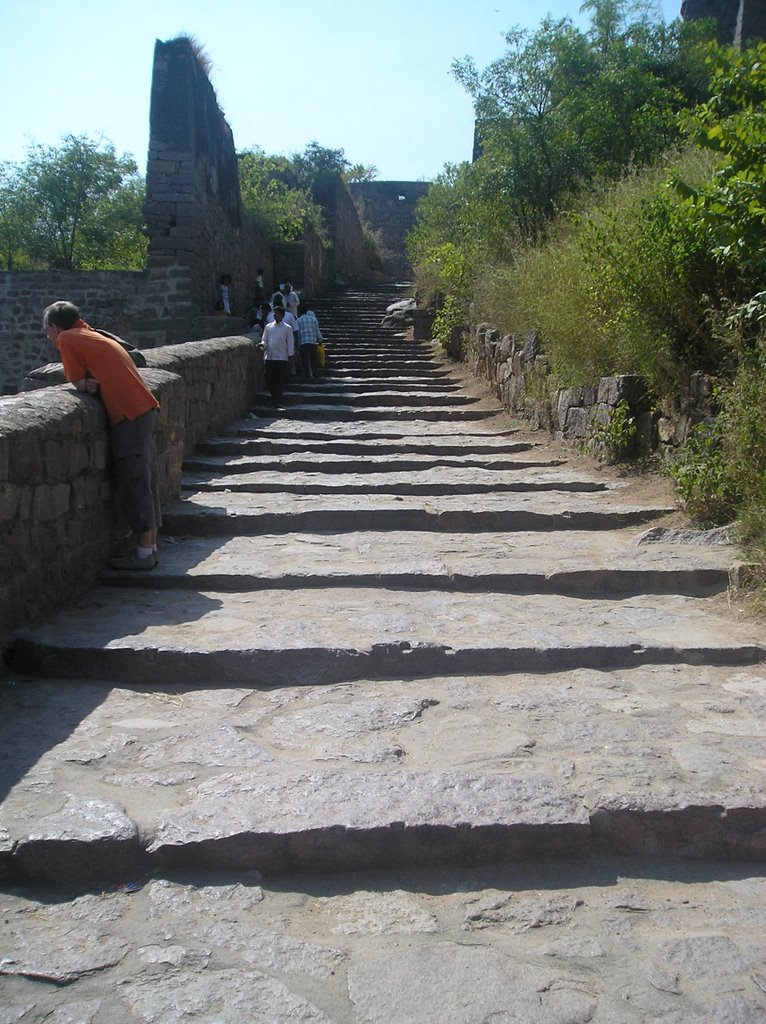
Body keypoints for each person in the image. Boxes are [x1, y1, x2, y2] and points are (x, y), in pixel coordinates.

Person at [43, 300, 161, 571]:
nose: (49, 337)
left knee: (134, 482)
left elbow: (76, 379)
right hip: (143, 410)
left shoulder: (68, 339)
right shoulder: (91, 333)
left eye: (47, 331)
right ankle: (150, 548)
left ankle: (144, 553)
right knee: (146, 480)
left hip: (130, 415)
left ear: (54, 327)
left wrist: (82, 383)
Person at [260, 305, 293, 407]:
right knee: (269, 379)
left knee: (279, 380)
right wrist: (262, 345)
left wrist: (290, 356)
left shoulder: (287, 328)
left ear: (282, 315)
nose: (275, 315)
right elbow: (264, 340)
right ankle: (274, 398)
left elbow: (290, 343)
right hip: (270, 357)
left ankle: (276, 400)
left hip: (281, 358)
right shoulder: (268, 327)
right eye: (274, 313)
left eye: (277, 313)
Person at [296, 303, 323, 378]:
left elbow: (298, 333)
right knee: (313, 358)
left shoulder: (298, 321)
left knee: (304, 359)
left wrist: (297, 344)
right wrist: (320, 340)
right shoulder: (313, 319)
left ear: (299, 312)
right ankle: (315, 373)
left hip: (303, 341)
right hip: (312, 341)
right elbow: (317, 330)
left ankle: (307, 374)